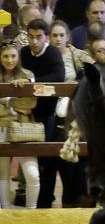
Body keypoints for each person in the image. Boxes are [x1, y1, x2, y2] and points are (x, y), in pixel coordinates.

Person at [20, 19, 65, 208]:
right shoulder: (23, 53)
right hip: (25, 111)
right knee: (27, 157)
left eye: (39, 37)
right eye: (31, 37)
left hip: (47, 113)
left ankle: (46, 199)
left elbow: (58, 78)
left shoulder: (53, 53)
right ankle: (28, 196)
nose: (34, 41)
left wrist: (31, 81)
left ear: (46, 37)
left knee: (47, 158)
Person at [49, 20, 93, 207]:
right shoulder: (45, 57)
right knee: (56, 161)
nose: (58, 39)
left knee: (79, 161)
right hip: (51, 112)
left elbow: (95, 73)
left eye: (61, 35)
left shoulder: (79, 56)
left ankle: (81, 201)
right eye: (54, 35)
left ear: (67, 37)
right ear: (49, 38)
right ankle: (63, 202)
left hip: (76, 114)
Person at [0, 42, 40, 209]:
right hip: (1, 127)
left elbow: (30, 104)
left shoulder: (27, 74)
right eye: (5, 56)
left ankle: (32, 211)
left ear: (19, 57)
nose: (10, 60)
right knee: (2, 174)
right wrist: (13, 100)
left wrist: (6, 102)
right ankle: (5, 210)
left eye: (13, 56)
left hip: (24, 127)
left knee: (33, 175)